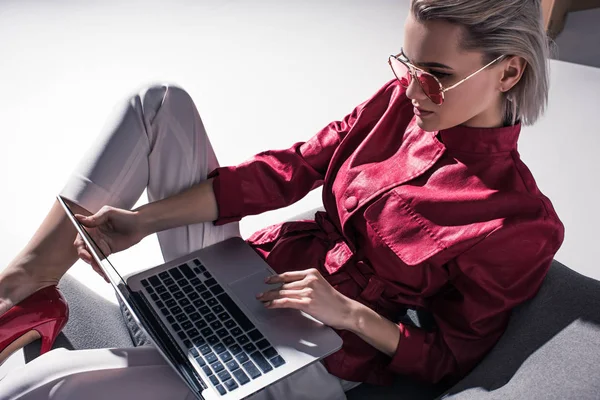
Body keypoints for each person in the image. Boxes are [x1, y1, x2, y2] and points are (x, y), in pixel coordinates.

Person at [0, 0, 564, 399]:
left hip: (310, 361)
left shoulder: (519, 221)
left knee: (38, 385)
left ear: (509, 71)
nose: (413, 89)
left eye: (437, 75)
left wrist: (349, 314)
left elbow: (450, 359)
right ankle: (23, 288)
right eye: (409, 64)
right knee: (158, 102)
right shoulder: (399, 102)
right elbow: (291, 170)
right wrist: (143, 221)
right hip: (248, 278)